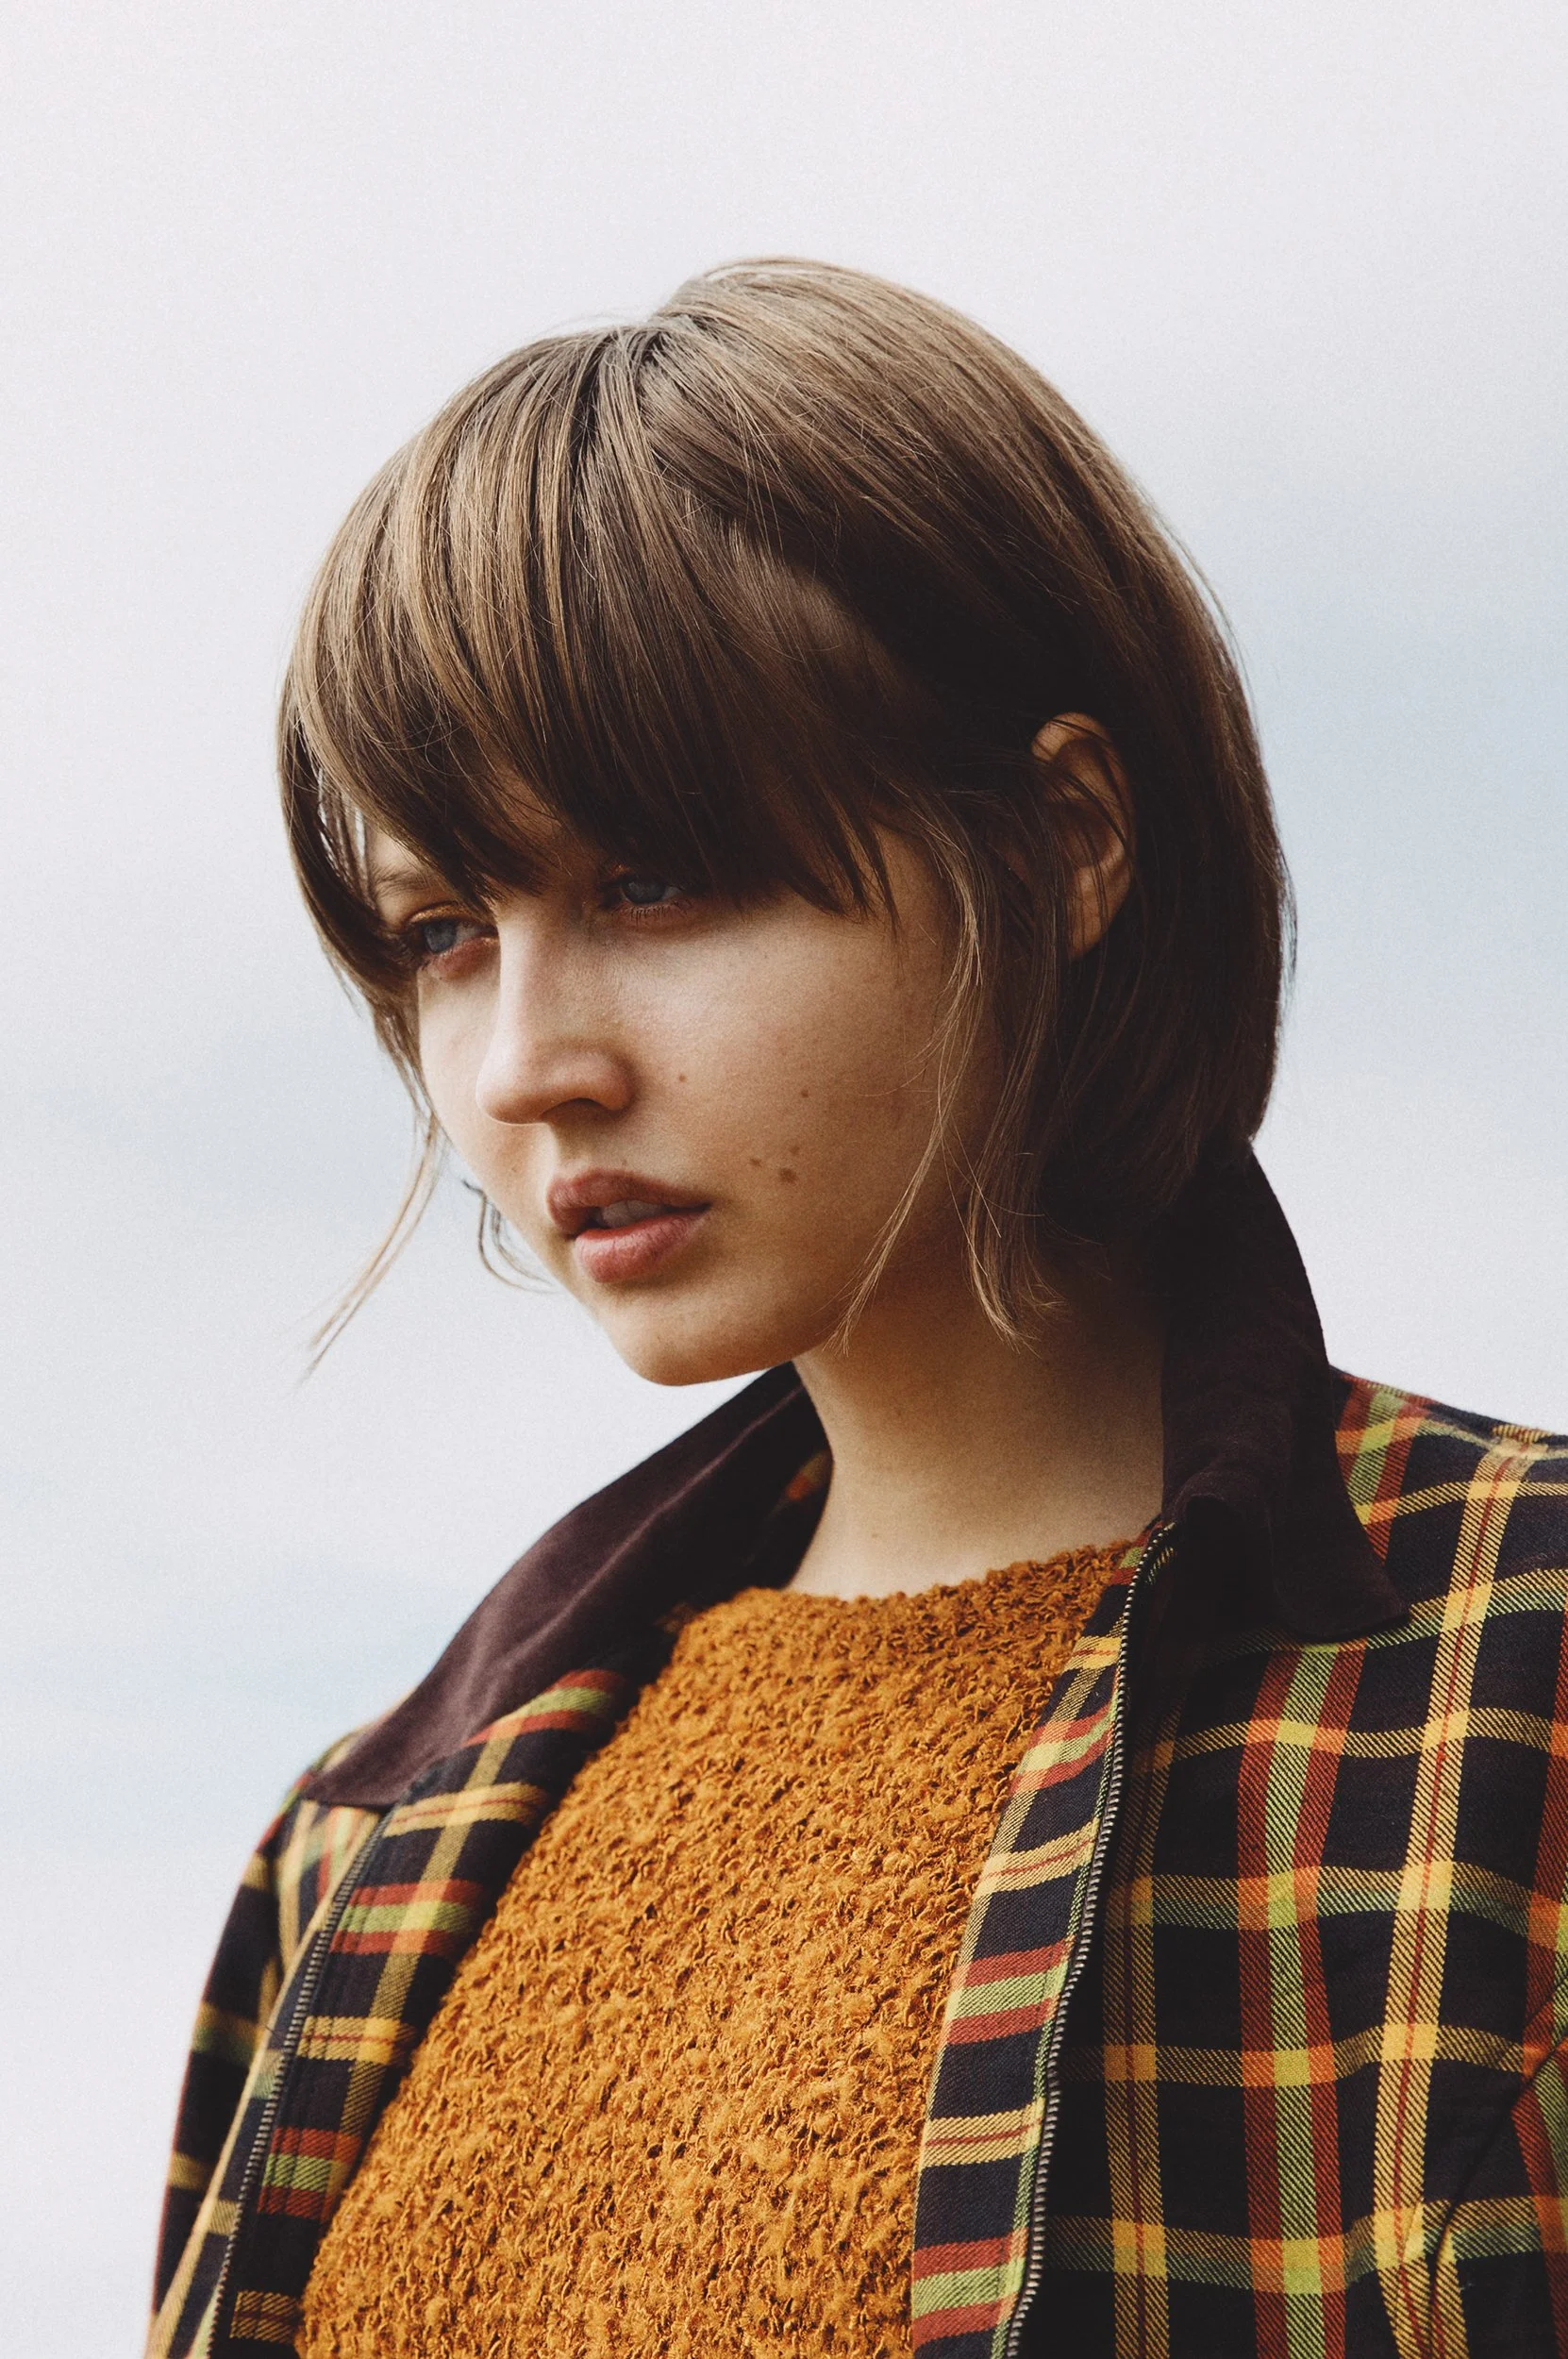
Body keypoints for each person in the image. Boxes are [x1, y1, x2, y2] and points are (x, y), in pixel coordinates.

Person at [148, 261, 1568, 2359]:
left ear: (1070, 839)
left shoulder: (1513, 1685)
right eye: (443, 928)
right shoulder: (365, 1841)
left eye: (651, 883)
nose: (529, 1060)